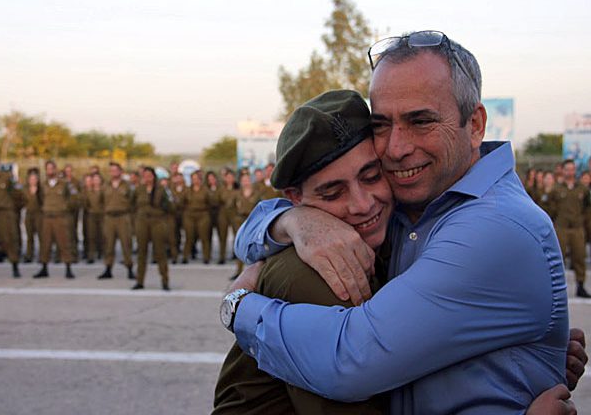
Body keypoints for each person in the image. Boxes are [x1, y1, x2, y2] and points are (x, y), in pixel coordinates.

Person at [227, 31, 577, 412]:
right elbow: (253, 228)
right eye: (381, 125)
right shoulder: (408, 208)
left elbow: (350, 361)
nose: (395, 148)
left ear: (475, 124)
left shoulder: (497, 227)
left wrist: (238, 306)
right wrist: (294, 223)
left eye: (420, 121)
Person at [214, 90, 392, 414]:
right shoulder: (317, 271)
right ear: (296, 196)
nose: (363, 204)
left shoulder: (408, 219)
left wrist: (287, 220)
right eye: (333, 192)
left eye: (372, 176)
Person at [550, 159, 590, 298]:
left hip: (577, 228)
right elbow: (551, 209)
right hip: (561, 227)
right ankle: (556, 288)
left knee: (579, 257)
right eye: (567, 169)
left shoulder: (582, 189)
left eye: (572, 169)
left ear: (575, 170)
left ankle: (580, 285)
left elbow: (587, 208)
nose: (570, 172)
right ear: (563, 171)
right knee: (558, 258)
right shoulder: (556, 189)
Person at [131, 167, 171, 291]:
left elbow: (168, 206)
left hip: (157, 222)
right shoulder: (139, 189)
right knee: (141, 253)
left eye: (150, 175)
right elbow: (132, 204)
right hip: (142, 222)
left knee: (160, 253)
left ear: (154, 176)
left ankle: (165, 281)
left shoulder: (160, 189)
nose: (147, 178)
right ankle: (139, 281)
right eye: (145, 175)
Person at [34, 160, 75, 278]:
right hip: (47, 217)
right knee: (45, 243)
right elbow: (39, 198)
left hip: (60, 217)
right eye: (48, 169)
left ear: (56, 169)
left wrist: (64, 208)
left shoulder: (64, 184)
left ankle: (68, 268)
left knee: (64, 243)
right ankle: (44, 268)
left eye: (52, 168)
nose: (50, 171)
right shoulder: (43, 184)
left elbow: (71, 198)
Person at [98, 162, 135, 280]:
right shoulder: (105, 186)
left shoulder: (127, 185)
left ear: (120, 171)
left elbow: (133, 201)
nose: (113, 172)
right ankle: (108, 269)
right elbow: (100, 201)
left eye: (115, 170)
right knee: (108, 244)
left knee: (126, 244)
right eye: (111, 170)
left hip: (123, 217)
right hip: (109, 218)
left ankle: (129, 268)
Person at [0, 154, 21, 277]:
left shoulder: (6, 178)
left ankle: (14, 266)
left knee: (9, 239)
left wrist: (13, 209)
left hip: (4, 212)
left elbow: (17, 194)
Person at [182, 171, 211, 264]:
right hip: (189, 215)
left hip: (203, 214)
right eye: (193, 179)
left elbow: (211, 202)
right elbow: (182, 202)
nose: (195, 181)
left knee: (204, 237)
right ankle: (185, 256)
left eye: (197, 179)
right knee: (189, 236)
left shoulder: (205, 190)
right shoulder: (187, 190)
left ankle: (206, 257)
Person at [216, 169, 238, 264]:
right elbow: (217, 200)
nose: (229, 179)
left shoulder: (237, 189)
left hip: (234, 213)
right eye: (227, 177)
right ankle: (222, 256)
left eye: (231, 177)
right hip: (223, 213)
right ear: (225, 178)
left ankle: (236, 254)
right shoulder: (221, 189)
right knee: (222, 236)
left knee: (236, 234)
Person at [23, 169, 42, 263]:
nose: (33, 181)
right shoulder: (25, 189)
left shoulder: (41, 189)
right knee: (29, 236)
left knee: (41, 236)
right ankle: (29, 255)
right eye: (31, 179)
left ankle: (42, 255)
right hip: (29, 214)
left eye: (35, 179)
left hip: (38, 214)